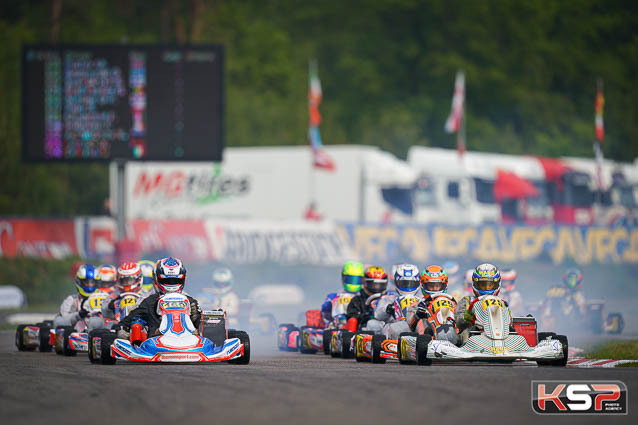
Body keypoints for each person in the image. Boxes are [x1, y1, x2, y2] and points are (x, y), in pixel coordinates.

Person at [117, 257, 201, 338]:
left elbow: (202, 326)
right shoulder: (149, 302)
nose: (171, 284)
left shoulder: (190, 302)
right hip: (156, 344)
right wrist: (122, 331)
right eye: (166, 281)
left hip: (188, 343)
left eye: (175, 281)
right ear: (157, 279)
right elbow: (126, 322)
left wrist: (195, 318)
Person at [374, 263, 421, 339]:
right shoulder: (389, 298)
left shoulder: (421, 299)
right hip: (395, 330)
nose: (408, 286)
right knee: (376, 325)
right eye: (404, 283)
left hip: (416, 329)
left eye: (411, 283)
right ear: (396, 281)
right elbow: (378, 315)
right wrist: (387, 309)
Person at [455, 263, 502, 334]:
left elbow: (508, 321)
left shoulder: (502, 303)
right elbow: (458, 321)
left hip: (498, 337)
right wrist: (467, 317)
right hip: (472, 338)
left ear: (497, 284)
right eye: (483, 285)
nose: (486, 288)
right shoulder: (467, 301)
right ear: (475, 284)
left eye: (490, 285)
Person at [53, 264, 99, 330]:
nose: (89, 285)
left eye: (92, 283)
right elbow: (61, 321)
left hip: (98, 334)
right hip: (76, 334)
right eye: (86, 282)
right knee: (58, 321)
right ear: (80, 282)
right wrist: (78, 315)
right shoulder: (72, 300)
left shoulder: (102, 300)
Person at [320, 261, 364, 328]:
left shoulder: (363, 297)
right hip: (338, 325)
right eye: (350, 279)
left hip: (357, 325)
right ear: (343, 278)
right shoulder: (334, 296)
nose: (353, 282)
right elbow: (324, 311)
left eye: (356, 280)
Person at [408, 265, 452, 331]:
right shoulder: (418, 304)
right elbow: (409, 325)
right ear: (423, 285)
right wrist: (417, 316)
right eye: (431, 286)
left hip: (450, 334)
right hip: (426, 338)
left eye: (437, 286)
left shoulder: (451, 301)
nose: (434, 289)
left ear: (444, 284)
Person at [345, 266, 389, 332]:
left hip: (386, 328)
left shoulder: (389, 299)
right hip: (364, 331)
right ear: (365, 283)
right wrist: (366, 315)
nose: (376, 287)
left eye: (379, 284)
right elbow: (351, 316)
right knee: (353, 321)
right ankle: (350, 341)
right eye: (374, 284)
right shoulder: (357, 300)